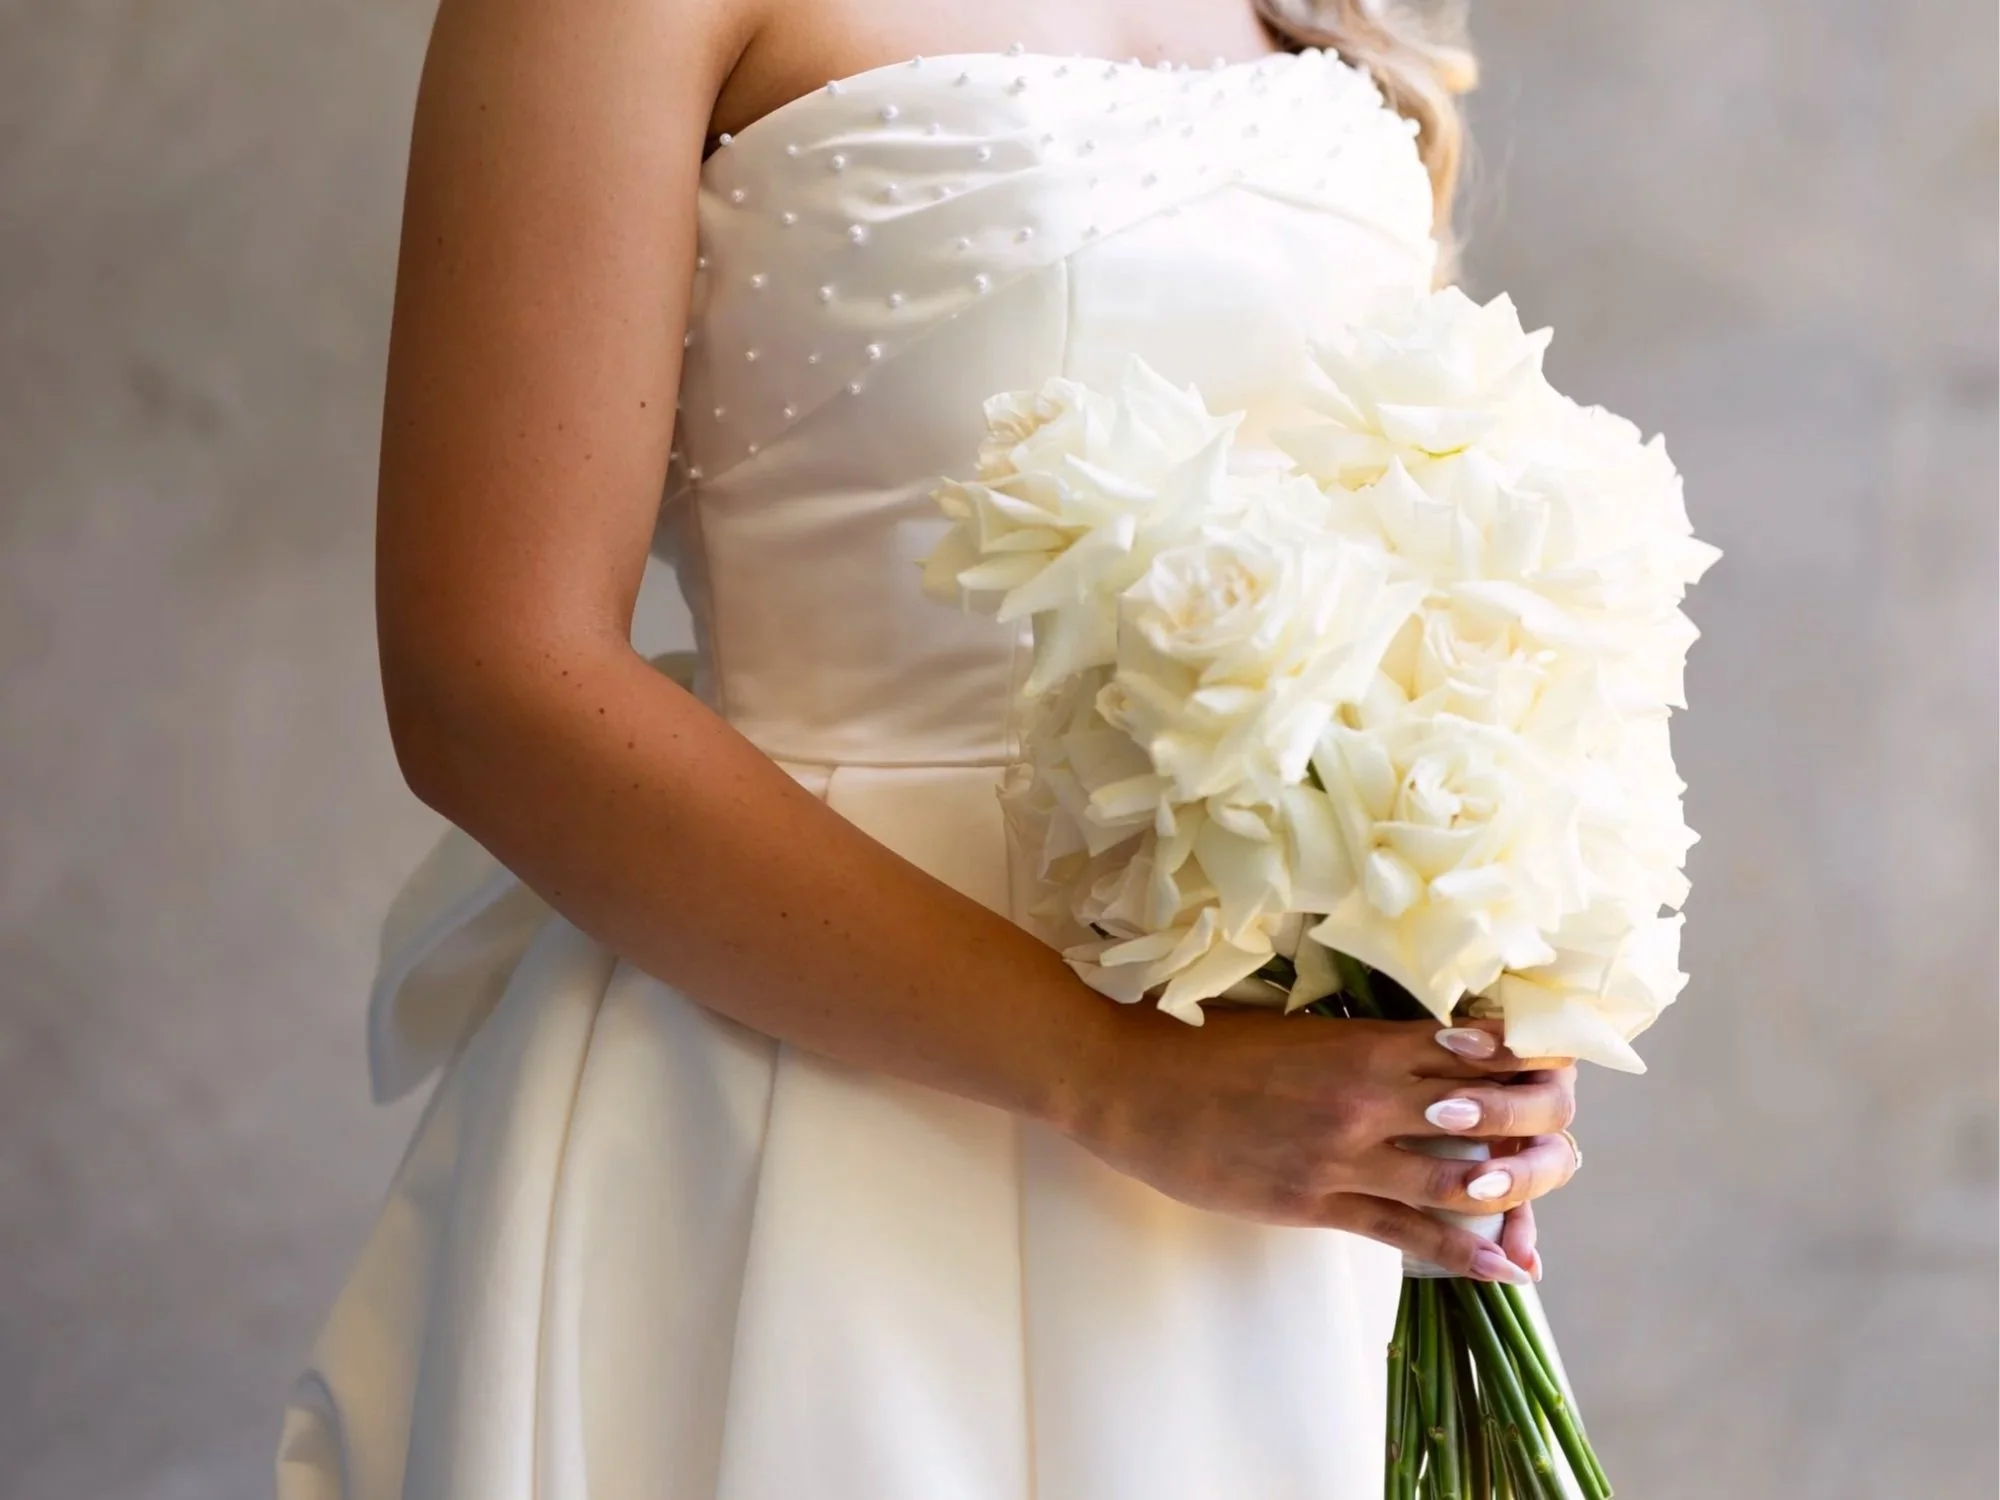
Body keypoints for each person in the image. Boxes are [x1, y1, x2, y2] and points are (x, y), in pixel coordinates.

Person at [277, 2, 1582, 1495]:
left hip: (1273, 1157)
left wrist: (1453, 969)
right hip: (804, 1108)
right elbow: (485, 679)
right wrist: (1114, 1076)